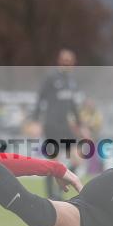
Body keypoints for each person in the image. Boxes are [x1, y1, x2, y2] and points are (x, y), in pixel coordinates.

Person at [32, 49, 81, 200]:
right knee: (53, 162)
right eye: (65, 60)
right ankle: (50, 196)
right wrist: (35, 120)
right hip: (51, 125)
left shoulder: (71, 81)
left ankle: (59, 191)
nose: (68, 63)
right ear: (59, 61)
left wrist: (80, 124)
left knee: (76, 159)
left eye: (70, 60)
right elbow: (40, 99)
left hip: (65, 126)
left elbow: (72, 104)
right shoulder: (51, 77)